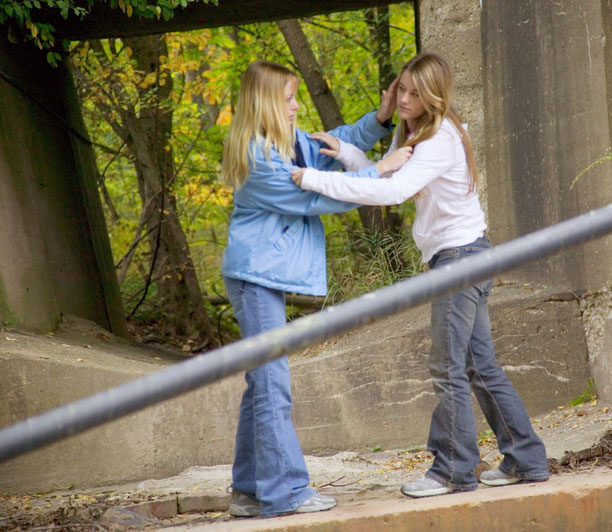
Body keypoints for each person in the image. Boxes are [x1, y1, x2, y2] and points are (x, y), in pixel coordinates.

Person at [292, 52, 550, 498]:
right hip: (465, 255)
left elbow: (392, 191)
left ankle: (454, 470)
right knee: (478, 366)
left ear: (433, 95)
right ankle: (525, 459)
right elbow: (389, 172)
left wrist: (313, 178)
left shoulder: (440, 139)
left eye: (415, 92)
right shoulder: (418, 132)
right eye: (402, 89)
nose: (406, 98)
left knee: (448, 368)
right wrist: (351, 152)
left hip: (460, 259)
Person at [219, 60, 410, 518]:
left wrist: (380, 121)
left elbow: (335, 148)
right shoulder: (257, 155)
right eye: (287, 98)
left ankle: (248, 491)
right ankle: (286, 493)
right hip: (255, 276)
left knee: (261, 383)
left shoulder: (289, 142)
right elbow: (316, 197)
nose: (295, 104)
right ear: (266, 101)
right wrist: (380, 171)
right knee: (273, 385)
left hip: (264, 274)